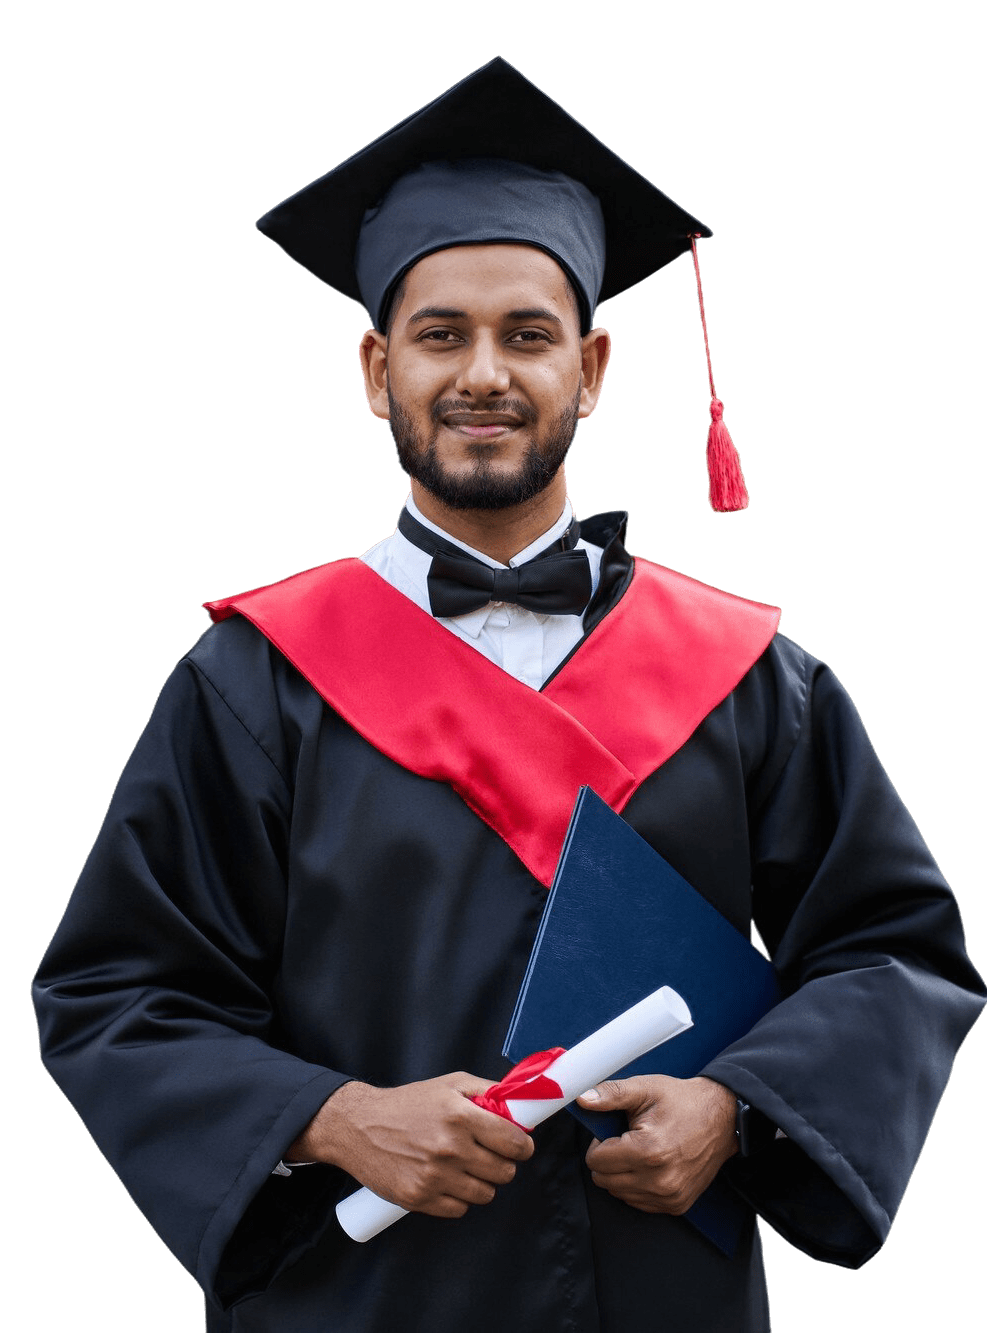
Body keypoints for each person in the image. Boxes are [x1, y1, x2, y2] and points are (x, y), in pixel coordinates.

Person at [32, 58, 984, 1333]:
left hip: (662, 1297)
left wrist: (737, 1109)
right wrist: (332, 1121)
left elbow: (893, 952)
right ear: (378, 369)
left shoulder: (754, 677)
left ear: (590, 369)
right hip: (357, 1298)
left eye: (527, 334)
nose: (484, 372)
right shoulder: (253, 681)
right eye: (441, 334)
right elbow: (116, 992)